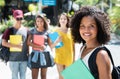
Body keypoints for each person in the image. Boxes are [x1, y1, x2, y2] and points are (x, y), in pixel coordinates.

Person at [70, 6, 112, 79]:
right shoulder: (83, 48)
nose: (86, 30)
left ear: (99, 28)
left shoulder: (101, 55)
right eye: (82, 26)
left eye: (91, 26)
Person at [2, 9, 28, 79]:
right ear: (14, 18)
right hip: (13, 59)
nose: (19, 20)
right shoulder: (9, 30)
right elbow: (3, 43)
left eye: (21, 18)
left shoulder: (26, 30)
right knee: (14, 77)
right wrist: (16, 46)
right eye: (17, 18)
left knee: (23, 77)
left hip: (24, 59)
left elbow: (27, 44)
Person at [27, 15, 54, 79]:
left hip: (45, 55)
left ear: (44, 22)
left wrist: (57, 41)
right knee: (34, 77)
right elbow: (28, 43)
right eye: (37, 21)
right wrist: (38, 47)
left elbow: (51, 44)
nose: (39, 23)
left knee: (44, 76)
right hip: (35, 55)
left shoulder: (47, 31)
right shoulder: (32, 31)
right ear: (35, 22)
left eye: (41, 21)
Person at [52, 13, 75, 79]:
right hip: (59, 57)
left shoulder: (71, 31)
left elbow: (73, 46)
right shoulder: (55, 31)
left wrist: (73, 59)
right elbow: (52, 47)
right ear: (59, 20)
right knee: (61, 77)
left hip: (69, 57)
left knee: (67, 77)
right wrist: (57, 42)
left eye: (64, 19)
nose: (63, 20)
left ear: (67, 20)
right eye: (61, 19)